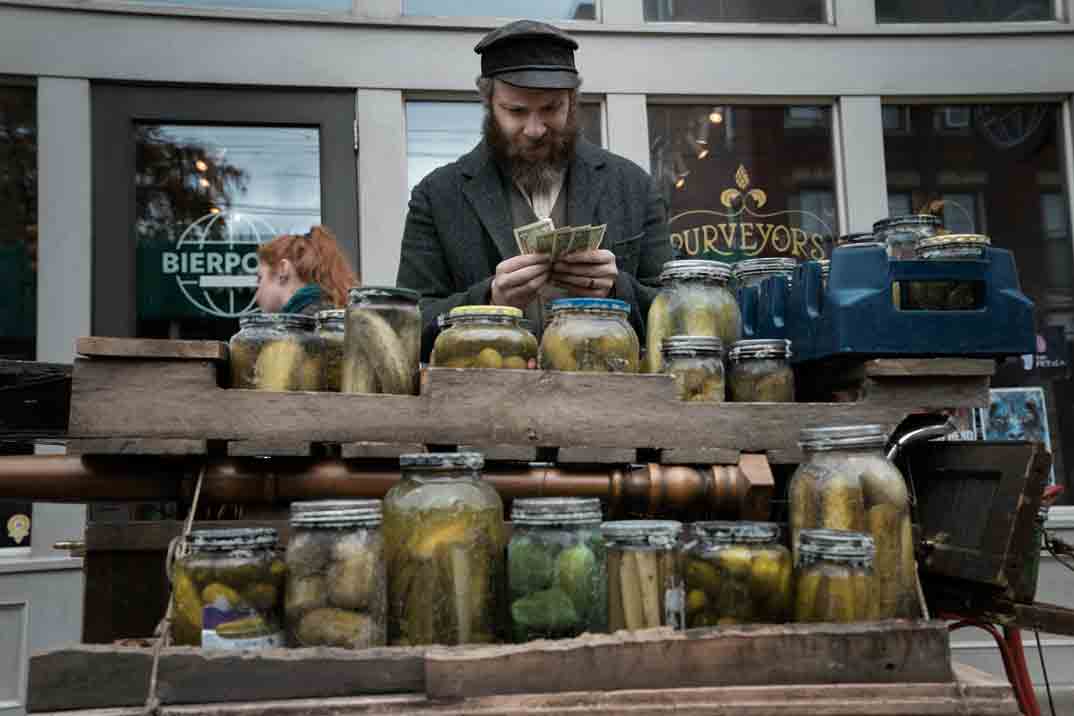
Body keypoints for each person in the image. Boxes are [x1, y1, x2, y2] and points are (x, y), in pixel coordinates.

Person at [396, 19, 670, 358]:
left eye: (551, 109)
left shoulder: (633, 186)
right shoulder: (437, 196)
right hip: (481, 405)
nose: (535, 128)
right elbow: (405, 328)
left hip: (609, 401)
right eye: (516, 111)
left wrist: (616, 290)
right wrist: (489, 301)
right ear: (489, 103)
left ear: (572, 100)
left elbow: (677, 314)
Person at [254, 225, 358, 315]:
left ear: (282, 270)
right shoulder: (338, 319)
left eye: (260, 278)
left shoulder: (300, 329)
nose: (257, 295)